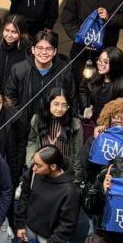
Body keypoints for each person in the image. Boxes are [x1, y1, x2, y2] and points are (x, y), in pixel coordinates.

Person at [15, 145, 80, 243]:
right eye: (34, 162)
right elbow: (24, 195)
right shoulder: (34, 172)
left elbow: (66, 227)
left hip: (51, 239)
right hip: (30, 229)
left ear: (53, 167)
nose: (33, 167)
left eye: (38, 165)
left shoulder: (69, 191)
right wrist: (20, 224)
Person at [5, 30, 76, 165]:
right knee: (21, 164)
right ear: (32, 49)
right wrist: (21, 117)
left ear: (55, 51)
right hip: (23, 128)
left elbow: (71, 100)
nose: (44, 52)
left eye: (49, 49)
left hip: (52, 130)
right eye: (40, 48)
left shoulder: (64, 72)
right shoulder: (19, 69)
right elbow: (9, 98)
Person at [25, 88, 84, 185]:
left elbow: (77, 153)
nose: (60, 109)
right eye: (56, 104)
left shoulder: (74, 124)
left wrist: (76, 178)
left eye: (64, 105)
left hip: (63, 171)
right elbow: (32, 141)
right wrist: (31, 162)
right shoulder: (37, 119)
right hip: (41, 168)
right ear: (48, 103)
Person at [78, 46, 123, 137]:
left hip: (108, 128)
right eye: (99, 60)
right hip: (91, 121)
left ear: (115, 65)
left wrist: (105, 126)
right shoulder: (93, 72)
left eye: (105, 62)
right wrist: (85, 108)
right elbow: (83, 89)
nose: (100, 64)